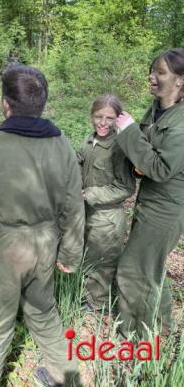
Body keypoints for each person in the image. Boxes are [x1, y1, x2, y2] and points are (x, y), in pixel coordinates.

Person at [0, 64, 85, 387]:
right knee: (43, 311)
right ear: (42, 105)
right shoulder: (62, 145)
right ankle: (66, 378)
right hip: (46, 241)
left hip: (8, 244)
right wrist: (69, 252)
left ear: (5, 104)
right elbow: (73, 205)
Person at [115, 47, 184, 337]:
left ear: (180, 80)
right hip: (151, 200)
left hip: (168, 207)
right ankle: (161, 331)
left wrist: (129, 130)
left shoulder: (181, 120)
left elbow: (160, 167)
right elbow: (147, 153)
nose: (152, 77)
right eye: (152, 70)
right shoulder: (157, 110)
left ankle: (138, 339)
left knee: (134, 269)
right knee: (149, 267)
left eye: (160, 72)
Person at [78, 95, 135, 311]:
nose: (103, 123)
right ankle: (87, 298)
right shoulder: (89, 139)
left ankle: (98, 306)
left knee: (102, 263)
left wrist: (90, 194)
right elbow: (80, 162)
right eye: (98, 116)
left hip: (107, 219)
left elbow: (126, 187)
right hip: (88, 213)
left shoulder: (120, 147)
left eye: (109, 118)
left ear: (118, 119)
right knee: (88, 258)